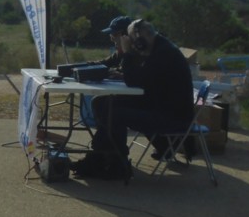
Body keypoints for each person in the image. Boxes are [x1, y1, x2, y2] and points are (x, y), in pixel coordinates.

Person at [75, 18, 193, 180]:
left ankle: (116, 163)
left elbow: (133, 80)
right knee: (101, 102)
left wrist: (128, 53)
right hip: (158, 105)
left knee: (114, 113)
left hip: (171, 116)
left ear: (140, 40)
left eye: (132, 41)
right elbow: (142, 78)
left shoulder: (164, 53)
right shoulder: (159, 48)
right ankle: (105, 156)